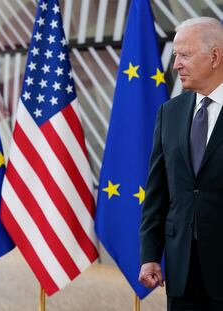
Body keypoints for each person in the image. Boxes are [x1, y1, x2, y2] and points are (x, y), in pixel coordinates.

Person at [139, 17, 223, 310]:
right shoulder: (169, 113)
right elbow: (157, 192)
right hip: (181, 271)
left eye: (184, 55)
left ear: (215, 56)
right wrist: (150, 254)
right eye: (175, 55)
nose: (176, 65)